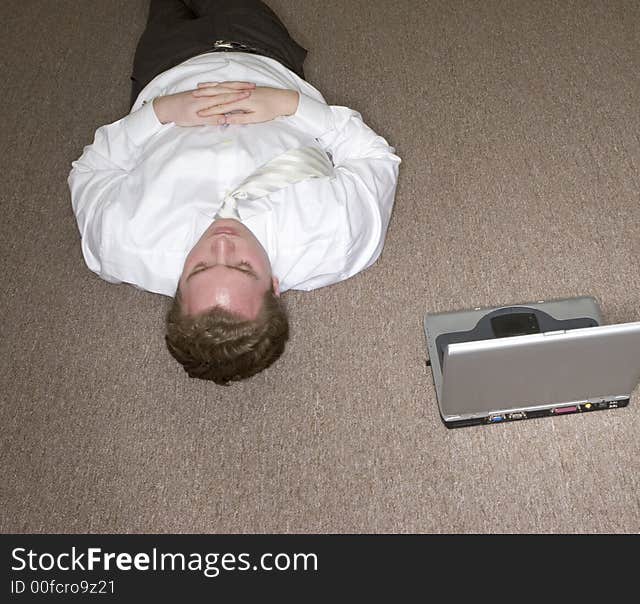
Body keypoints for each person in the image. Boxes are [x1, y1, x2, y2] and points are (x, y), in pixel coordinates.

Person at [68, 0, 401, 385]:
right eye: (243, 267)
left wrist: (160, 112)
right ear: (274, 286)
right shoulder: (335, 237)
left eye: (200, 267)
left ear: (177, 286)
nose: (222, 244)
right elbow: (373, 157)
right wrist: (288, 105)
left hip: (167, 67)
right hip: (262, 55)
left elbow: (92, 170)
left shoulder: (122, 242)